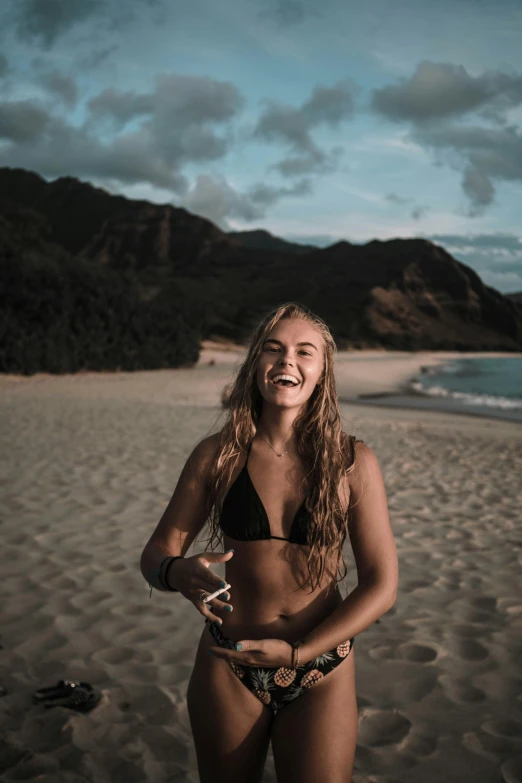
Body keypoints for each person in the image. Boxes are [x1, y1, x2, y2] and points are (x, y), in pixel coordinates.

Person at [140, 301, 398, 783]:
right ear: (256, 363)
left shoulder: (352, 462)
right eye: (274, 349)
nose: (287, 361)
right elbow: (154, 555)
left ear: (322, 372)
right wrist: (177, 572)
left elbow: (382, 586)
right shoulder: (217, 455)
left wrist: (300, 655)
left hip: (322, 666)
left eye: (305, 352)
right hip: (228, 662)